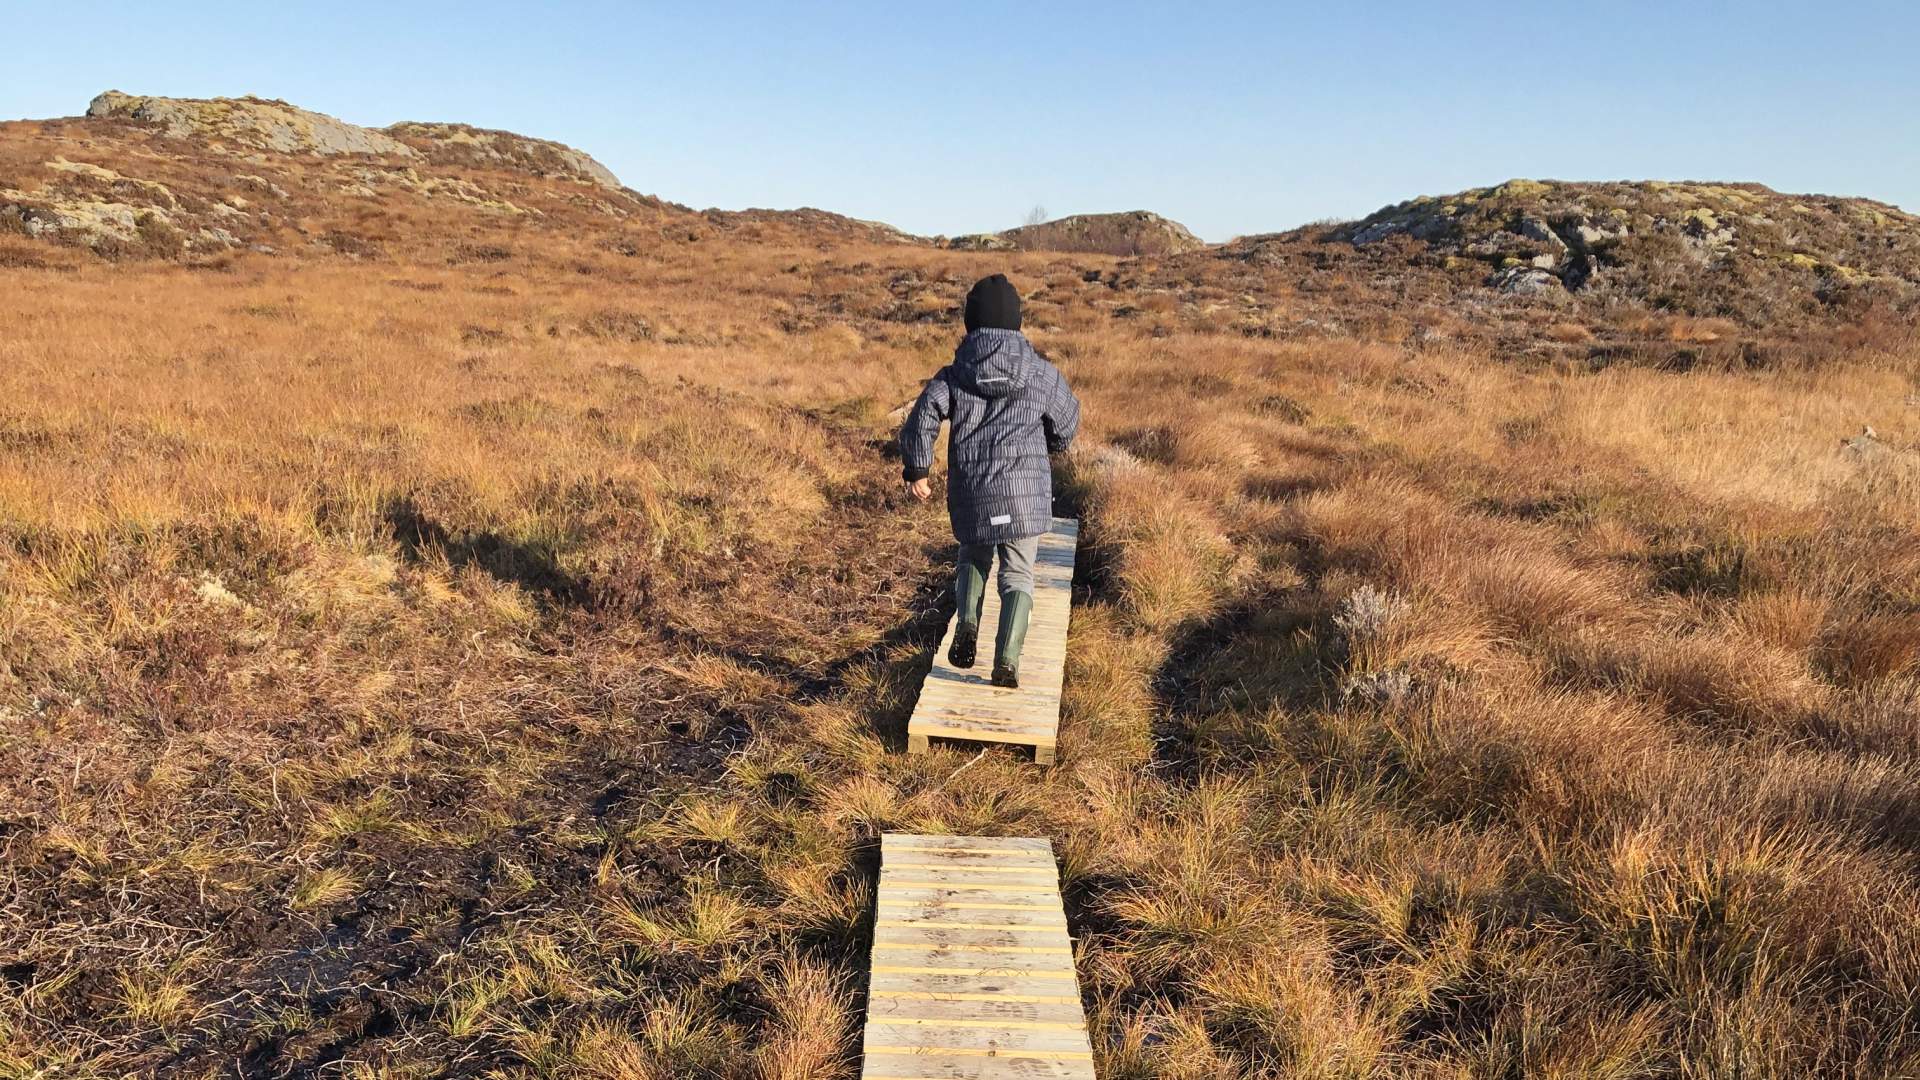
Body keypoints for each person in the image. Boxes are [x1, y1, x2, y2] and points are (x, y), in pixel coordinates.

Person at [900, 274, 1080, 689]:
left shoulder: (954, 375)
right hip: (1024, 496)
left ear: (970, 322)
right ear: (1016, 321)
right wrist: (1050, 446)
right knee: (1018, 572)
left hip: (974, 490)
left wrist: (917, 468)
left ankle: (967, 622)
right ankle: (1008, 660)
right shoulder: (1040, 372)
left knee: (973, 557)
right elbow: (1068, 421)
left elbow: (923, 417)